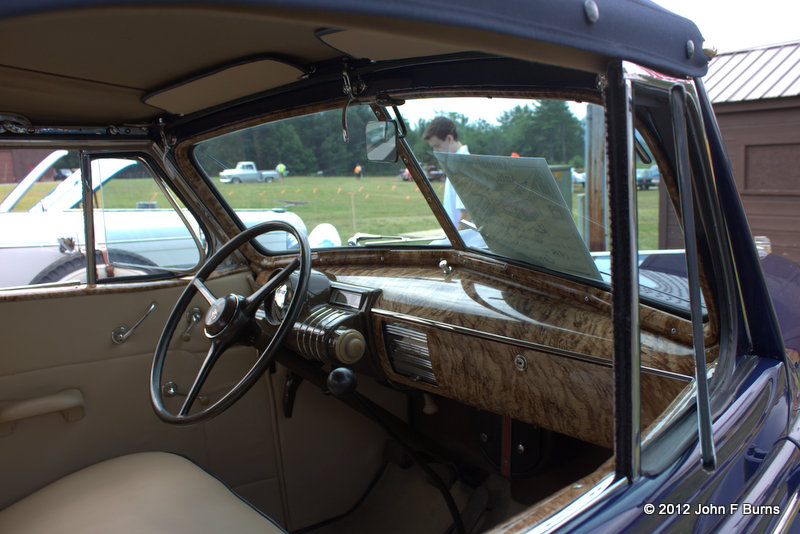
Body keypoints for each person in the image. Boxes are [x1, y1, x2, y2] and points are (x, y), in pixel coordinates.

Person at [423, 117, 470, 228]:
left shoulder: (463, 167)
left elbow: (466, 217)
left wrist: (454, 245)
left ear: (449, 139)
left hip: (461, 242)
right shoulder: (455, 165)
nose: (435, 152)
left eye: (437, 146)